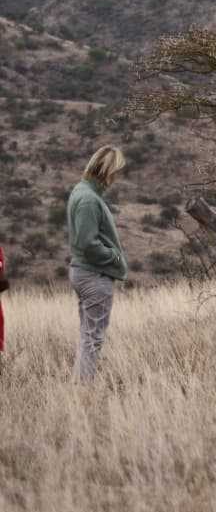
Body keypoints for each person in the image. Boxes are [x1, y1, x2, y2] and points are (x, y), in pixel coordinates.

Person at [67, 145, 129, 381]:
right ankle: (84, 390)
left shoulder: (82, 192)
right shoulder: (88, 199)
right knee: (93, 338)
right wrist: (113, 257)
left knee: (87, 335)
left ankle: (79, 387)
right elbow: (87, 243)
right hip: (93, 275)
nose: (116, 177)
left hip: (84, 272)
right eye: (116, 171)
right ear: (107, 171)